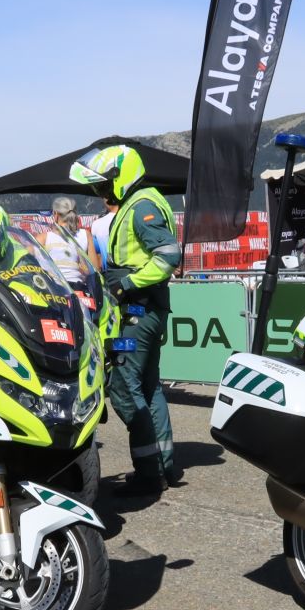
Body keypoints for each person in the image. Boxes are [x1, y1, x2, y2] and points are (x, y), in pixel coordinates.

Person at [71, 144, 181, 497]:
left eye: (104, 185)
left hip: (137, 309)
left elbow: (168, 256)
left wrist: (126, 284)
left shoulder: (141, 206)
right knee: (149, 387)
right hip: (144, 307)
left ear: (122, 176)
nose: (101, 193)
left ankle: (149, 473)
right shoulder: (143, 200)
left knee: (123, 385)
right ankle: (165, 465)